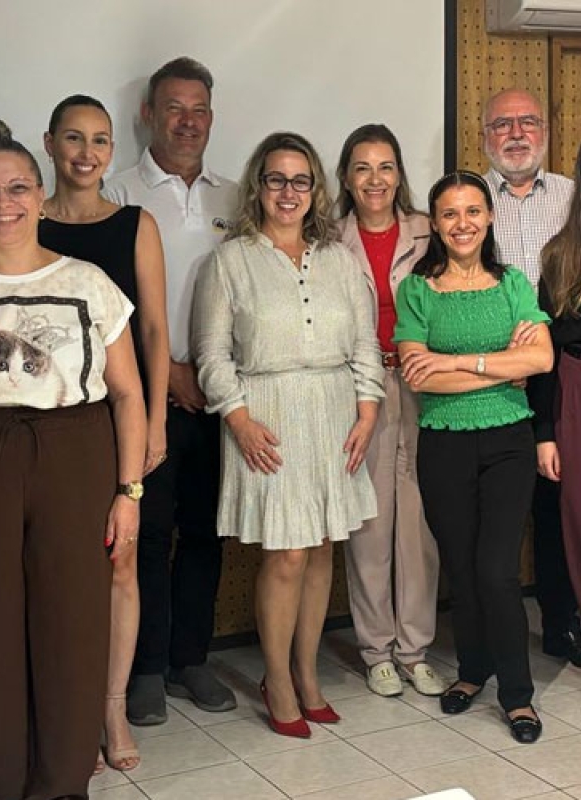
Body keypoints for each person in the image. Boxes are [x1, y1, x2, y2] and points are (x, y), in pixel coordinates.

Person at [192, 131, 384, 737]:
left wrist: (368, 411)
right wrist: (238, 418)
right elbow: (211, 355)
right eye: (276, 179)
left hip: (334, 413)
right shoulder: (229, 261)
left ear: (315, 190)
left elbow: (365, 345)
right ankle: (277, 680)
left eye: (300, 181)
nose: (288, 192)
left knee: (322, 546)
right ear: (258, 186)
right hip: (266, 418)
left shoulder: (338, 260)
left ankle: (307, 673)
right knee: (287, 552)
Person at [0, 119, 146, 800]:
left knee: (71, 620)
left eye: (18, 187)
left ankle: (61, 778)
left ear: (40, 194)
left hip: (75, 455)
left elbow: (129, 394)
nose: (3, 202)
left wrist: (128, 494)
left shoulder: (88, 281)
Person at [394, 170, 552, 744]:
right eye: (449, 213)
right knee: (460, 568)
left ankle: (517, 696)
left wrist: (456, 361)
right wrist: (499, 364)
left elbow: (541, 360)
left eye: (472, 211)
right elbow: (418, 376)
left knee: (497, 571)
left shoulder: (513, 284)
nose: (462, 224)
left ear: (489, 217)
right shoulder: (417, 289)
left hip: (509, 442)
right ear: (435, 224)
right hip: (444, 444)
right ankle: (472, 670)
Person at [38, 94, 169, 772]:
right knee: (55, 569)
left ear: (112, 150)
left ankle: (112, 708)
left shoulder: (134, 225)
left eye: (99, 140)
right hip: (44, 425)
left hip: (119, 418)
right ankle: (66, 707)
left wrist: (156, 421)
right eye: (73, 138)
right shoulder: (19, 219)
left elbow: (153, 330)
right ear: (49, 143)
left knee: (122, 561)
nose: (86, 154)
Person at [105, 56, 237, 723]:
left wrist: (214, 376)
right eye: (174, 108)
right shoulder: (117, 193)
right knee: (149, 535)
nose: (188, 122)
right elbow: (112, 304)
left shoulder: (235, 198)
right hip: (146, 398)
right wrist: (169, 376)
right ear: (148, 114)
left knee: (207, 532)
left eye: (199, 109)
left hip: (221, 398)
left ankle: (192, 659)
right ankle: (146, 669)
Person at [335, 123, 443, 698]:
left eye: (385, 167)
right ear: (346, 177)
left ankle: (415, 649)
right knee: (370, 525)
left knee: (419, 525)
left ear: (399, 174)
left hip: (425, 384)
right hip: (361, 389)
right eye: (362, 168)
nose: (374, 179)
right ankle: (377, 650)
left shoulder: (429, 231)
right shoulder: (328, 238)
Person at [482, 88, 580, 667]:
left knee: (557, 506)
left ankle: (563, 622)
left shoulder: (571, 198)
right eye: (502, 124)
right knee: (490, 520)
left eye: (527, 122)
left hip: (554, 384)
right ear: (484, 137)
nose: (516, 134)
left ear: (545, 130)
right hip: (484, 384)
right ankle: (491, 635)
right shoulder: (467, 200)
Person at [530, 142, 581, 621]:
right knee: (575, 512)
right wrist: (544, 432)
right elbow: (547, 355)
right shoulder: (561, 255)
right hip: (573, 389)